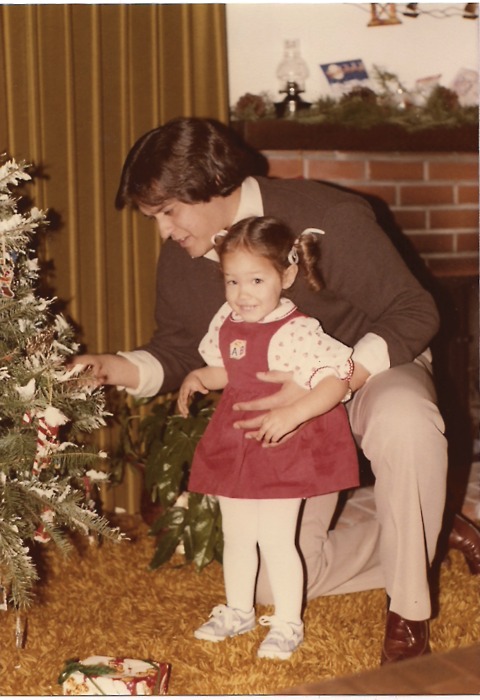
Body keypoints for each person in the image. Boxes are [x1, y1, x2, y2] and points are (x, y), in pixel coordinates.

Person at [75, 116, 480, 665]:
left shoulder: (327, 216)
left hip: (370, 372)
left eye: (168, 212)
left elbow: (414, 310)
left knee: (406, 422)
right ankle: (427, 524)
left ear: (211, 185)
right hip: (284, 420)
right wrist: (109, 368)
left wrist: (330, 386)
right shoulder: (183, 258)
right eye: (155, 217)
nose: (164, 231)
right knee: (269, 584)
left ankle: (409, 607)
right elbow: (181, 352)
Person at [176, 216, 359, 660]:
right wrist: (200, 377)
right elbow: (231, 371)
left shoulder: (298, 331)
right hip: (237, 439)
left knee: (277, 538)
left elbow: (337, 379)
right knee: (237, 533)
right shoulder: (227, 320)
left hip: (283, 446)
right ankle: (238, 610)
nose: (243, 293)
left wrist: (294, 413)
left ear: (287, 276)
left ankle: (288, 622)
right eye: (232, 281)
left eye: (256, 280)